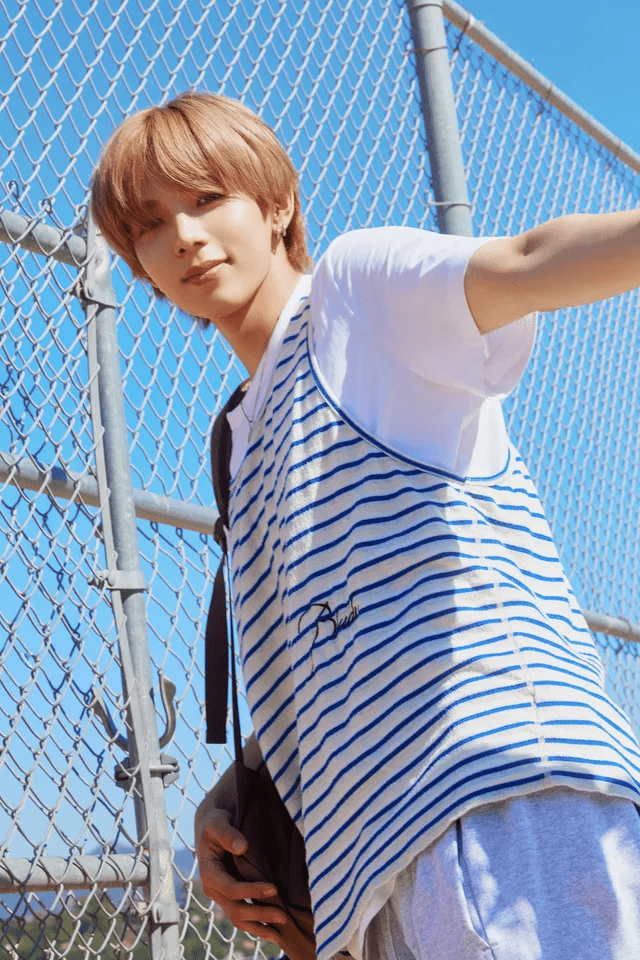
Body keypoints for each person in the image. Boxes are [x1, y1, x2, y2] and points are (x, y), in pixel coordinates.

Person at [91, 91, 640, 960]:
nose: (185, 236)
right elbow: (330, 646)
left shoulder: (354, 301)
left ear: (277, 205)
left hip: (496, 798)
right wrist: (241, 787)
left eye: (207, 198)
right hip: (376, 872)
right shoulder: (237, 438)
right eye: (151, 225)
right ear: (139, 263)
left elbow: (528, 261)